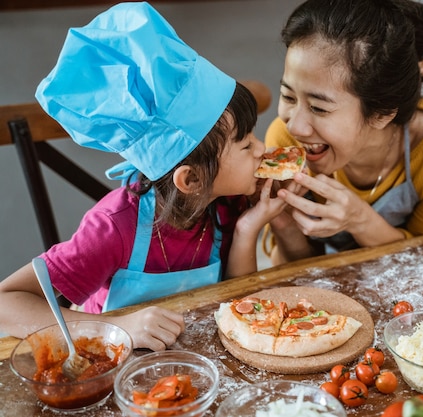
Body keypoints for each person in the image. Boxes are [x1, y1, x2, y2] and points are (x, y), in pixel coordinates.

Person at [0, 2, 289, 351]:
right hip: (110, 363)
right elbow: (6, 302)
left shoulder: (227, 203)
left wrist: (247, 230)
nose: (262, 150)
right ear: (191, 180)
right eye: (245, 145)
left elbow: (237, 301)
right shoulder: (112, 228)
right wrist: (119, 327)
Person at [264, 0, 423, 265]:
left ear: (382, 113)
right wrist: (282, 224)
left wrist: (360, 220)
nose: (295, 126)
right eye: (288, 96)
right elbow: (298, 270)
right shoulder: (284, 143)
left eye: (319, 108)